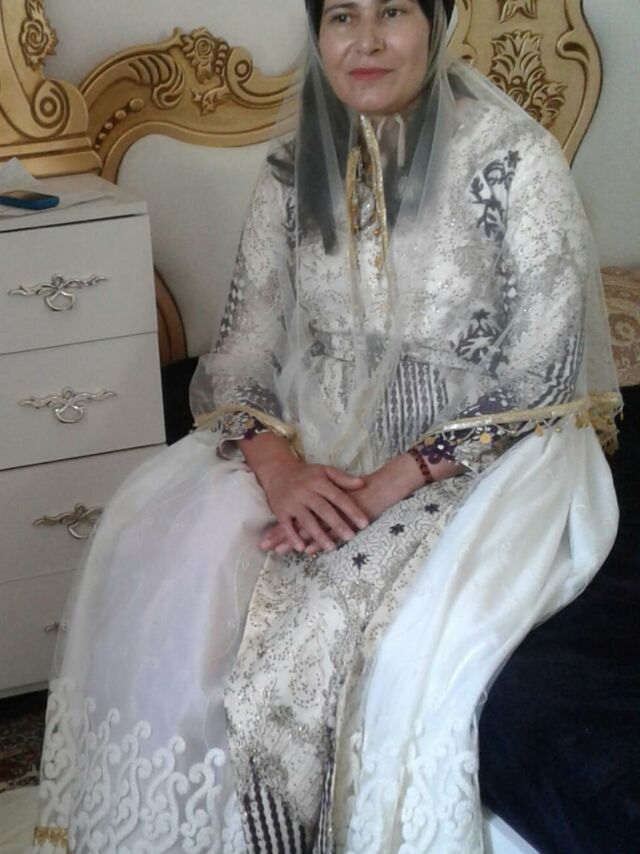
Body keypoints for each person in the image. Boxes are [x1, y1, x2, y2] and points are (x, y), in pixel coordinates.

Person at [31, 1, 621, 852]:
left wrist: (390, 483)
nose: (366, 40)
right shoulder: (290, 170)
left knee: (333, 623)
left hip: (489, 452)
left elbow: (546, 368)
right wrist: (281, 470)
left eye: (394, 12)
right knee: (166, 549)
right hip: (316, 439)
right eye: (342, 15)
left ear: (439, 24)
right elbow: (241, 352)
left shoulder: (513, 160)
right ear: (318, 35)